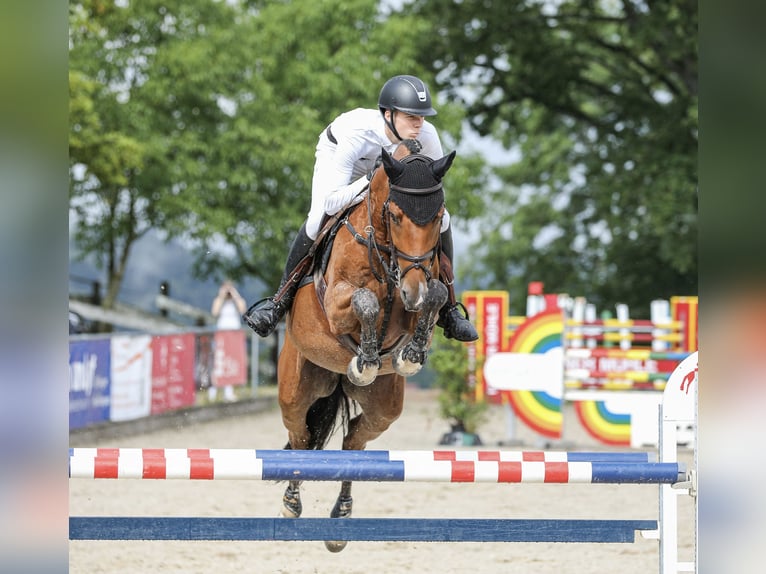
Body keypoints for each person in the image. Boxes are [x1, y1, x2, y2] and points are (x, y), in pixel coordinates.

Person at [243, 74, 478, 342]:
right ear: (388, 114)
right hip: (345, 162)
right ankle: (279, 302)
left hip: (390, 173)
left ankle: (448, 308)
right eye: (411, 117)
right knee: (315, 218)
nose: (419, 124)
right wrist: (371, 180)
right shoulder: (357, 134)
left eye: (422, 117)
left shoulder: (427, 135)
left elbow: (432, 191)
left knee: (443, 219)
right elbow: (332, 201)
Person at [209, 280, 247, 402]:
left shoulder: (236, 302)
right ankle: (213, 391)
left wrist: (235, 295)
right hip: (222, 335)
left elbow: (243, 310)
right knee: (219, 362)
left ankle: (228, 392)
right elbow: (214, 312)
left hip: (234, 335)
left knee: (232, 362)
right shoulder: (218, 300)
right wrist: (221, 295)